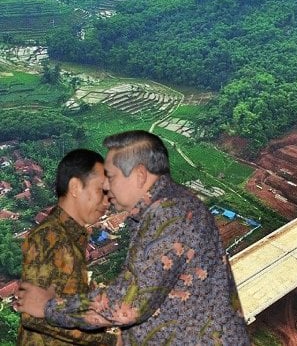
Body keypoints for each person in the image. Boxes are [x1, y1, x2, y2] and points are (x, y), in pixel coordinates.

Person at [16, 130, 250, 345]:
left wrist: (48, 307)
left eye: (111, 176)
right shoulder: (164, 210)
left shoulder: (169, 214)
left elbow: (125, 305)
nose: (106, 186)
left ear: (139, 175)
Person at [17, 149, 117, 345]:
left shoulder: (73, 236)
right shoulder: (50, 237)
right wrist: (107, 340)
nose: (107, 201)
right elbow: (32, 314)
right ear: (75, 187)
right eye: (101, 191)